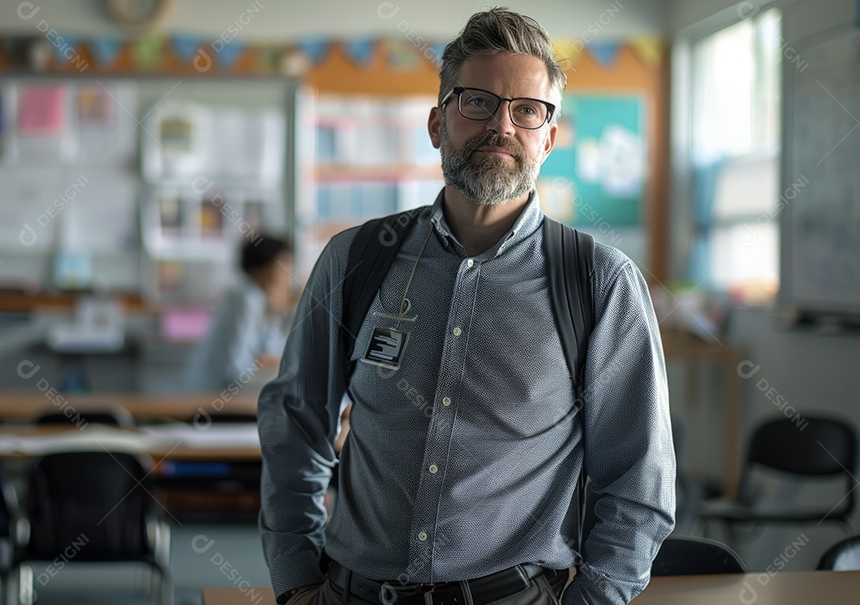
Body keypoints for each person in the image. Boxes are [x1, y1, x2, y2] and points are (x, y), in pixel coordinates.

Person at [257, 8, 675, 605]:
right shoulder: (355, 259)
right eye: (477, 102)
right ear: (437, 123)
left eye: (528, 110)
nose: (502, 125)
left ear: (549, 138)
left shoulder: (598, 282)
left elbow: (639, 480)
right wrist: (296, 578)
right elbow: (296, 422)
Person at [182, 234, 295, 392]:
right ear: (258, 270)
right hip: (215, 399)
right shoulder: (246, 299)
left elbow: (273, 353)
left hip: (229, 396)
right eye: (282, 268)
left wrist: (274, 314)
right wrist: (266, 363)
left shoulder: (262, 302)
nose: (288, 276)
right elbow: (236, 369)